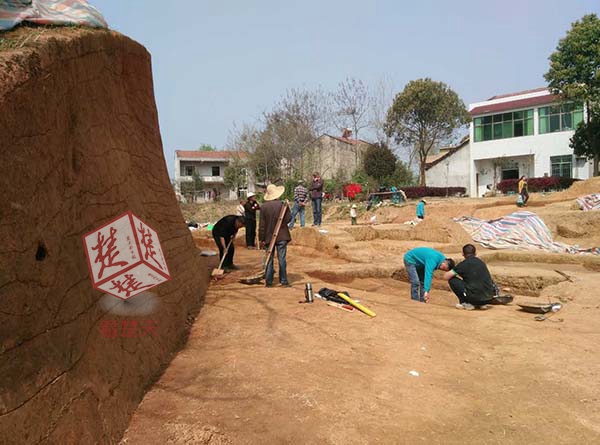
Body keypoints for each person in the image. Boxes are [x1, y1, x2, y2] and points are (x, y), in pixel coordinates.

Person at [259, 184, 292, 287]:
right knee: (282, 259)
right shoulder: (283, 205)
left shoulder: (264, 207)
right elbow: (289, 219)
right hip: (282, 236)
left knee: (269, 259)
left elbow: (262, 225)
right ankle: (284, 281)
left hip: (268, 237)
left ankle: (269, 282)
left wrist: (261, 239)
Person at [444, 244, 495, 310]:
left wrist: (455, 271)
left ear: (463, 254)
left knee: (452, 280)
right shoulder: (481, 263)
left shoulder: (463, 264)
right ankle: (482, 304)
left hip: (474, 298)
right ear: (475, 253)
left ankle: (466, 303)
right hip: (488, 298)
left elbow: (446, 276)